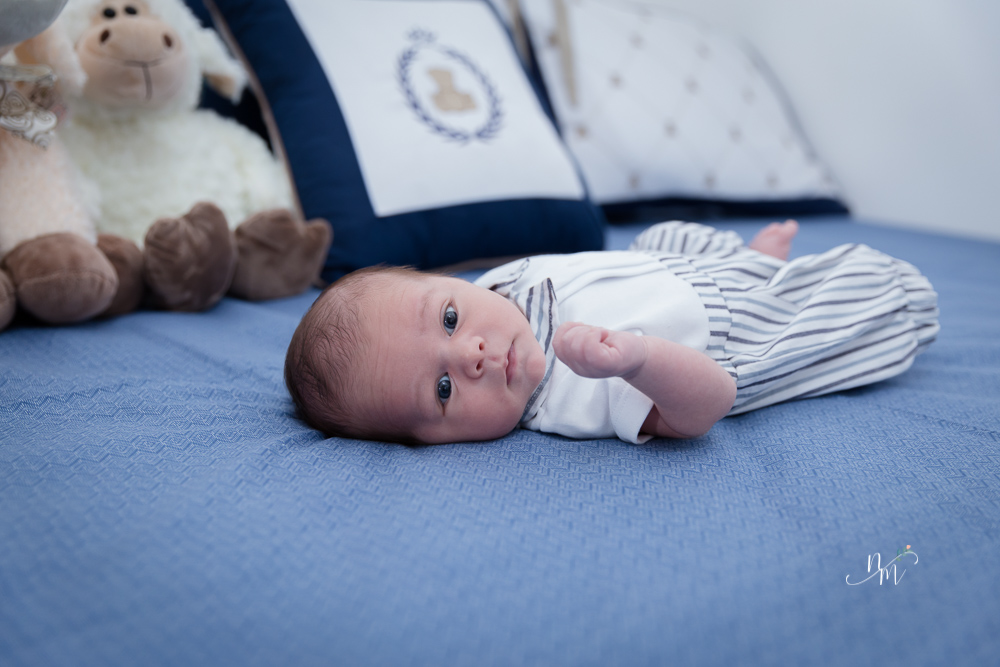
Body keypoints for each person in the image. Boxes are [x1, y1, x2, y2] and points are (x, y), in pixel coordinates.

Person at [285, 221, 939, 444]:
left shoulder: (497, 286)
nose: (471, 354)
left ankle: (747, 258)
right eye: (443, 389)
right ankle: (770, 276)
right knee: (866, 296)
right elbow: (708, 403)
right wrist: (638, 359)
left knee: (662, 236)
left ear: (447, 281)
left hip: (669, 267)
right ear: (434, 444)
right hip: (730, 329)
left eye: (449, 319)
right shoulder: (569, 397)